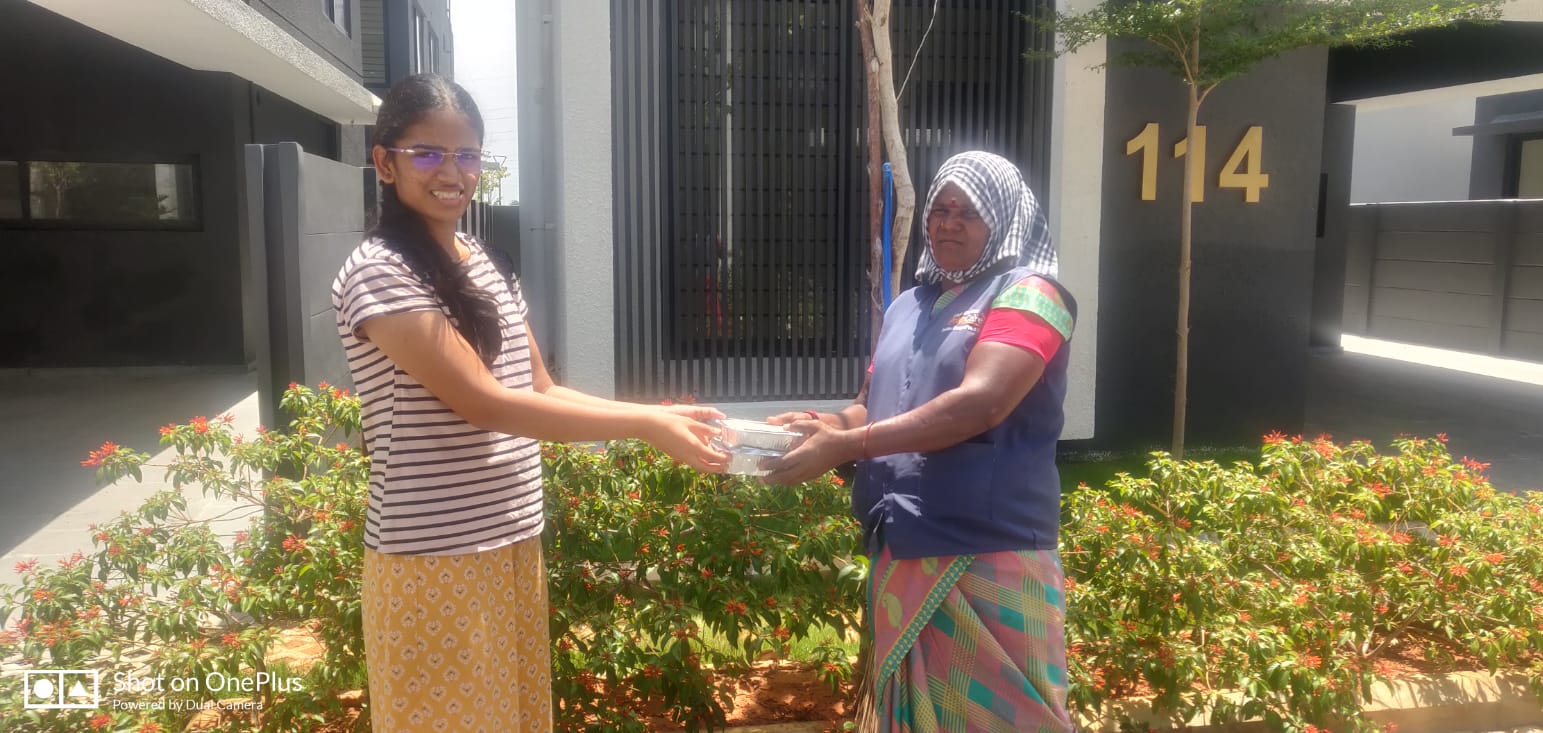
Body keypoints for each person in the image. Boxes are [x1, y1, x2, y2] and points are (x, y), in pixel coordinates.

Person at [330, 73, 727, 733]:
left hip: (511, 538)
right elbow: (486, 404)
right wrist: (644, 426)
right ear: (384, 162)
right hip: (434, 556)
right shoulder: (381, 271)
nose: (451, 172)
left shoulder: (482, 261)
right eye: (427, 153)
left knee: (514, 717)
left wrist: (659, 414)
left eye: (466, 154)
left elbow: (539, 389)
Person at [764, 151, 1078, 732]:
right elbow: (873, 404)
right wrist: (823, 426)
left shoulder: (1031, 295)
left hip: (989, 547)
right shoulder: (909, 305)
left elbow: (982, 403)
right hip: (903, 541)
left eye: (969, 212)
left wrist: (849, 446)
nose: (948, 224)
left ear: (1003, 219)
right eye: (940, 209)